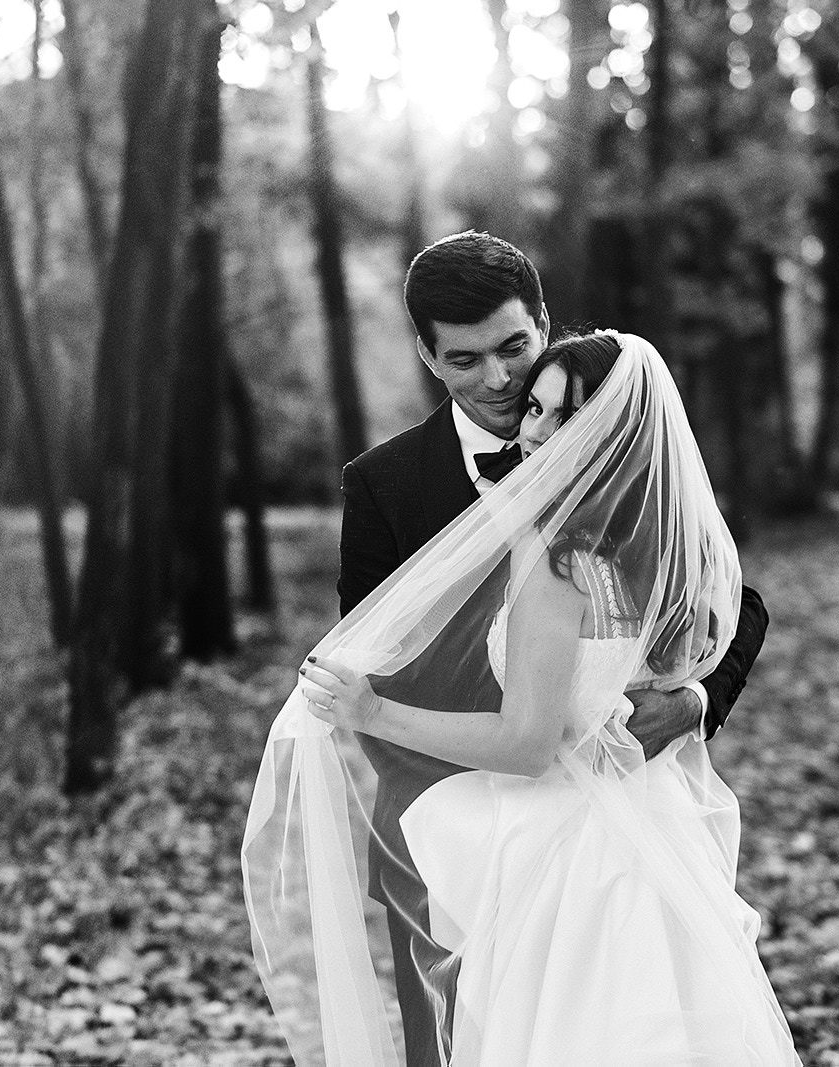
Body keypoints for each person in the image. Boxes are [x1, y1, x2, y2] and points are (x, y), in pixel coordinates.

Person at [317, 231, 771, 1064]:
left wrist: (694, 700)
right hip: (448, 821)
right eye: (463, 359)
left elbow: (734, 599)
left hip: (614, 823)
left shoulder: (619, 442)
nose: (497, 380)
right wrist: (474, 807)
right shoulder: (383, 487)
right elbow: (369, 658)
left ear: (544, 323)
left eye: (514, 348)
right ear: (426, 352)